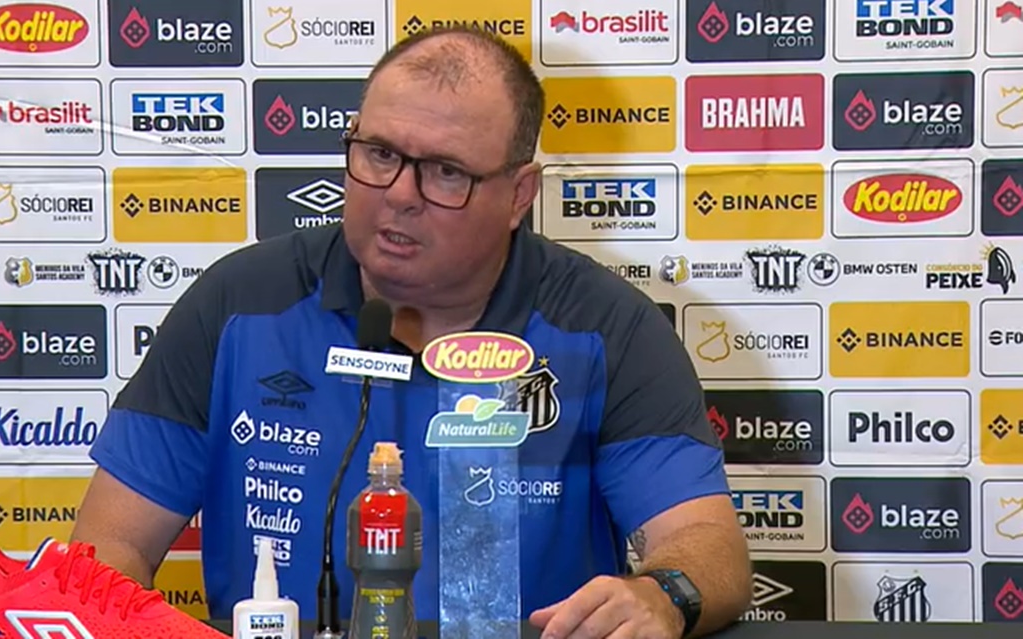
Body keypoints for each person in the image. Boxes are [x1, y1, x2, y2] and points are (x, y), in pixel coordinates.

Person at [72, 25, 752, 639]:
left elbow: (706, 543)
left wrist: (661, 595)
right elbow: (108, 544)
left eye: (446, 172)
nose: (399, 192)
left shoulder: (606, 326)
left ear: (519, 196)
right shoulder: (238, 304)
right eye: (379, 153)